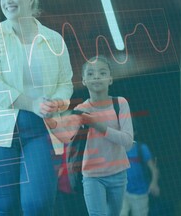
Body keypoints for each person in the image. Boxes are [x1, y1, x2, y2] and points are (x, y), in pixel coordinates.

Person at [0, 0, 74, 215]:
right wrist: (32, 103)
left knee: (38, 205)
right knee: (4, 208)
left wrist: (57, 102)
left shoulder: (53, 39)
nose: (7, 1)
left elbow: (65, 82)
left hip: (40, 130)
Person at [48, 55, 134, 216]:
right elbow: (64, 136)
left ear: (110, 79)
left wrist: (97, 125)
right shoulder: (80, 109)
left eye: (102, 73)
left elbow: (128, 142)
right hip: (92, 177)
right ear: (83, 81)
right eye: (90, 74)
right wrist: (48, 118)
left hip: (118, 174)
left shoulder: (120, 104)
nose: (96, 77)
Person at [120, 131, 160, 216]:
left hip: (140, 192)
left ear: (134, 132)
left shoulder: (141, 148)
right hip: (123, 192)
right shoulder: (118, 149)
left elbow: (154, 170)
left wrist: (154, 183)